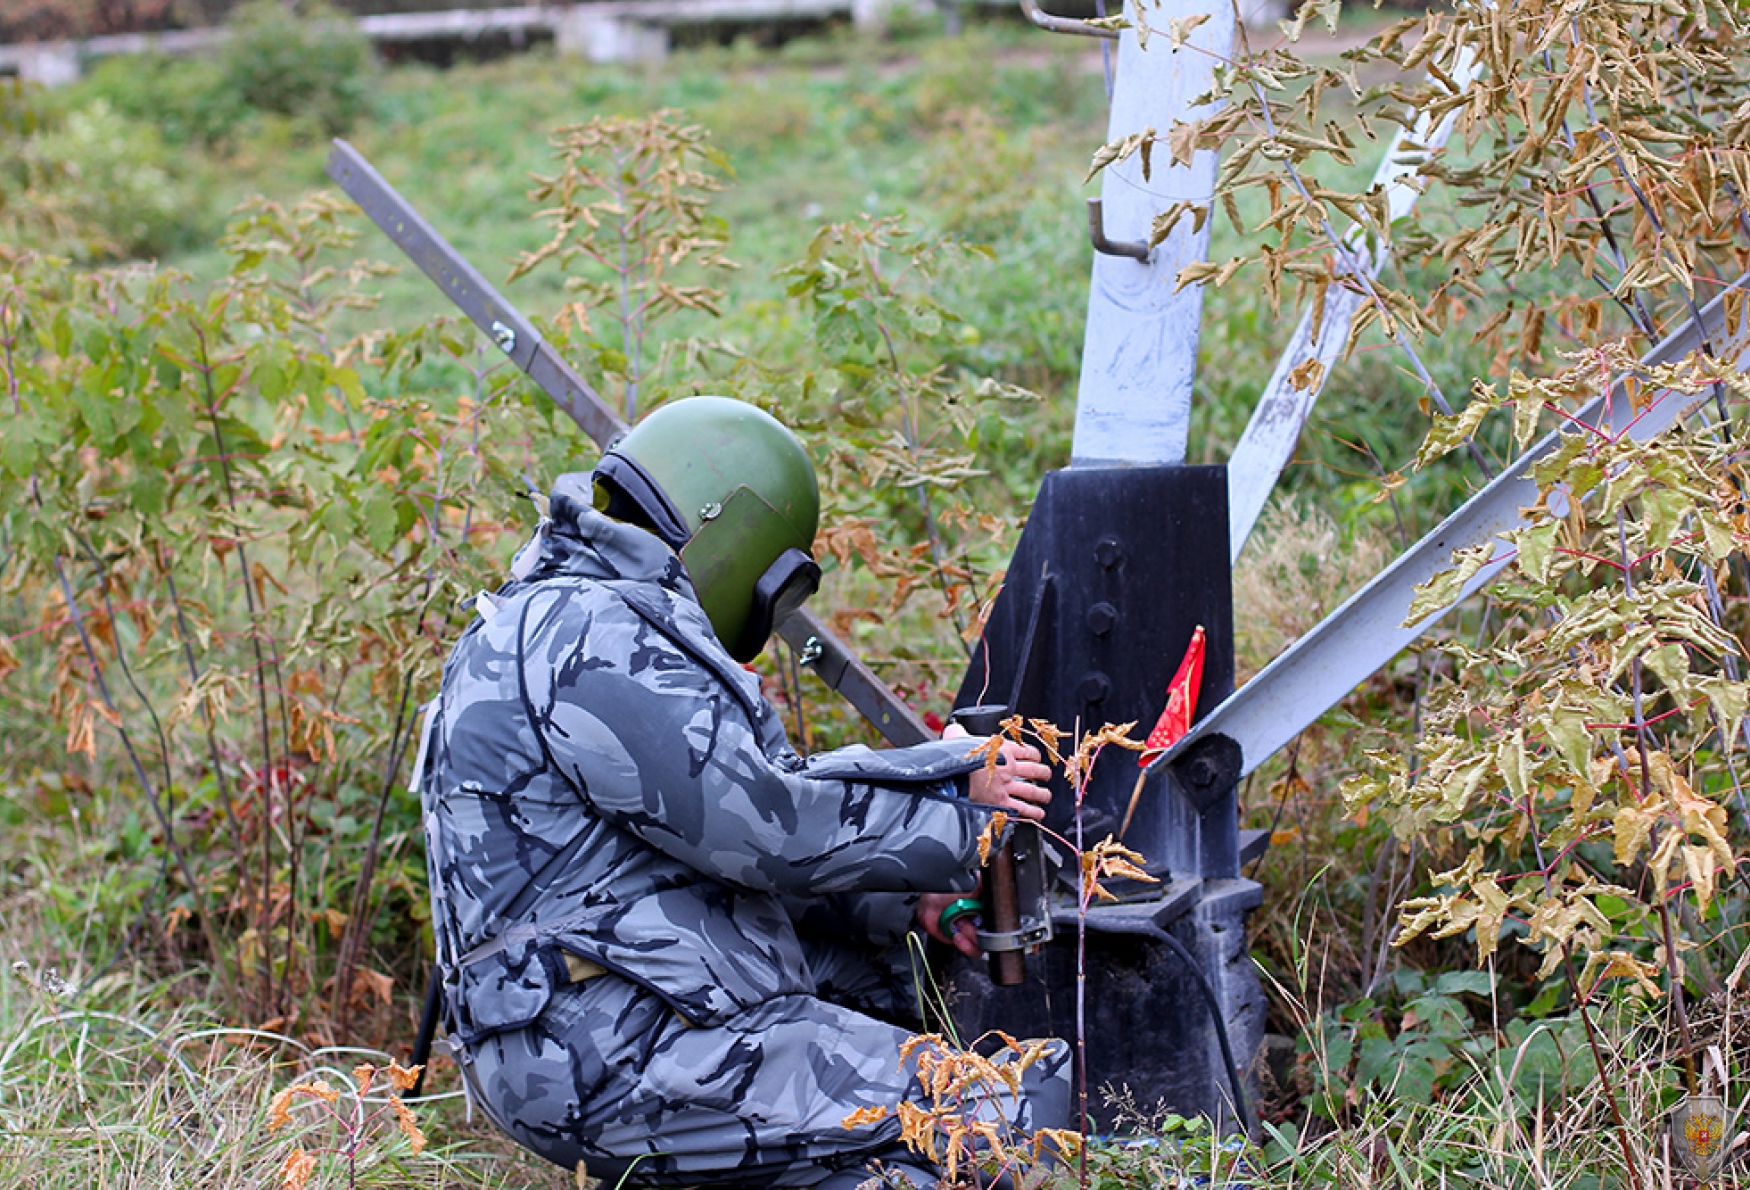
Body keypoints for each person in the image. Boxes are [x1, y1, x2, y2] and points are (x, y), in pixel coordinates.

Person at [416, 396, 1069, 1189]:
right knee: (1001, 1113)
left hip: (589, 1023)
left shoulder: (555, 612)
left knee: (885, 1106)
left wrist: (906, 903)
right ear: (738, 542)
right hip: (609, 1043)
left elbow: (675, 864)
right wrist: (955, 804)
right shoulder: (592, 632)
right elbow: (767, 826)